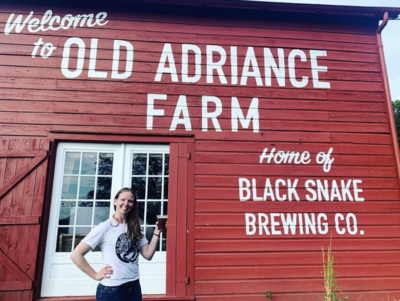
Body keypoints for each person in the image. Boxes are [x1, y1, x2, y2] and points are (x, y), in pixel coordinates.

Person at [71, 187, 165, 301]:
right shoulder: (105, 227)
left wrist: (156, 233)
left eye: (130, 201)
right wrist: (95, 275)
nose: (126, 203)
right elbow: (76, 255)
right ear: (115, 201)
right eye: (123, 199)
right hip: (112, 290)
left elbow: (148, 254)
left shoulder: (135, 227)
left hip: (134, 287)